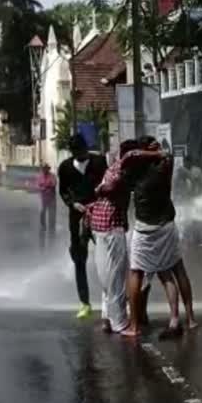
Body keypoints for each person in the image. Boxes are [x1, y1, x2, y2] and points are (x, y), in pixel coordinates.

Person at [122, 136, 198, 339]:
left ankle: (134, 325)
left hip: (145, 229)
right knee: (174, 270)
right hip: (166, 225)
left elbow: (130, 155)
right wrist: (158, 152)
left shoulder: (135, 171)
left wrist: (150, 152)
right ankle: (187, 318)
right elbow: (165, 154)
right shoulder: (165, 165)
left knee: (136, 272)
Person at [85, 139, 140, 334]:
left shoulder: (112, 168)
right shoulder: (123, 170)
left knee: (106, 275)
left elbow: (106, 187)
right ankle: (119, 322)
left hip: (99, 225)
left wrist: (99, 190)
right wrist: (101, 189)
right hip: (112, 226)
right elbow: (111, 186)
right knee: (115, 275)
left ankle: (107, 317)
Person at [57, 134, 108, 319]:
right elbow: (63, 191)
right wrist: (72, 203)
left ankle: (111, 299)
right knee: (79, 260)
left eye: (83, 151)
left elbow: (108, 184)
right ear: (72, 152)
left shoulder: (100, 162)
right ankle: (85, 302)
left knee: (107, 257)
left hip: (100, 214)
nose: (81, 155)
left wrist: (99, 201)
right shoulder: (65, 168)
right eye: (77, 152)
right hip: (77, 217)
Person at [35, 163, 57, 244]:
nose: (45, 170)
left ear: (49, 169)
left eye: (47, 168)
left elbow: (54, 183)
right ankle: (43, 225)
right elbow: (37, 186)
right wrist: (44, 187)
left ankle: (52, 227)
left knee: (52, 213)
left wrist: (45, 186)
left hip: (51, 197)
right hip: (43, 197)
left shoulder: (52, 176)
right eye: (44, 168)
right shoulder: (40, 176)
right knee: (42, 212)